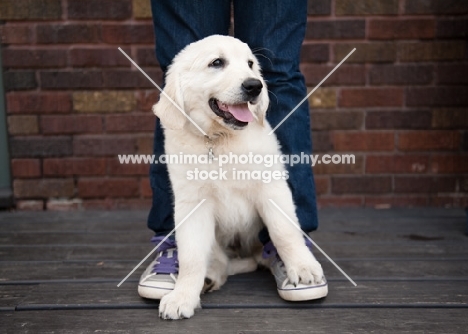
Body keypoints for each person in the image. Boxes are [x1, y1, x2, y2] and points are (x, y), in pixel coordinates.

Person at [138, 0, 328, 301]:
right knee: (181, 50)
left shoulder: (255, 110)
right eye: (218, 64)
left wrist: (291, 247)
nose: (250, 80)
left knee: (279, 65)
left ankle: (289, 250)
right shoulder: (180, 91)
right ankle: (185, 252)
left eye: (251, 66)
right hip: (190, 138)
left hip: (259, 204)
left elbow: (270, 190)